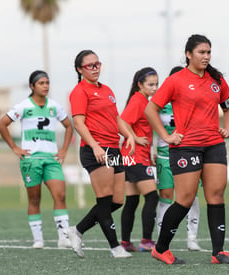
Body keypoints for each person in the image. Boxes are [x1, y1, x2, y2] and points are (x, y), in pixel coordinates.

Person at [145, 34, 229, 265]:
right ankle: (161, 248)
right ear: (188, 54)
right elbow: (150, 109)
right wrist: (166, 136)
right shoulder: (176, 80)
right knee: (185, 199)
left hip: (214, 145)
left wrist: (227, 127)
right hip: (186, 148)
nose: (206, 56)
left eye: (208, 52)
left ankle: (218, 252)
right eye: (201, 52)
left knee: (216, 195)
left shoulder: (217, 80)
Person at [67, 49, 136, 258]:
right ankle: (115, 247)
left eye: (97, 64)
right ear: (80, 69)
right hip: (95, 150)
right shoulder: (79, 91)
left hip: (113, 148)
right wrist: (95, 145)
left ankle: (77, 230)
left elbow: (116, 119)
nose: (95, 68)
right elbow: (78, 122)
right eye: (90, 65)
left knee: (117, 201)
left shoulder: (106, 90)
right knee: (104, 201)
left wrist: (128, 135)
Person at [0, 70, 73, 249]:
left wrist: (63, 150)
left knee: (60, 195)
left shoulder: (54, 106)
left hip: (51, 159)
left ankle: (63, 238)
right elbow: (1, 124)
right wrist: (15, 148)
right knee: (34, 199)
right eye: (41, 83)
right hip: (31, 160)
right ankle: (38, 239)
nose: (45, 86)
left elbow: (69, 126)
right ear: (32, 86)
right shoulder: (23, 106)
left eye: (47, 83)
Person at [155, 66, 201, 251]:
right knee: (166, 196)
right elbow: (149, 125)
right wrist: (151, 148)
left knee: (192, 196)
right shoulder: (160, 103)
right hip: (164, 155)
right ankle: (161, 238)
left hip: (188, 154)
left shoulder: (192, 102)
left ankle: (192, 237)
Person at [119, 67, 159, 252]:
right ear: (140, 85)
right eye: (150, 84)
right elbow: (121, 122)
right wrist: (134, 137)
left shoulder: (144, 101)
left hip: (132, 156)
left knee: (133, 200)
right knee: (152, 197)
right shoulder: (138, 100)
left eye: (156, 84)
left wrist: (149, 150)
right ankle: (147, 240)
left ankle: (125, 242)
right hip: (133, 157)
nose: (154, 88)